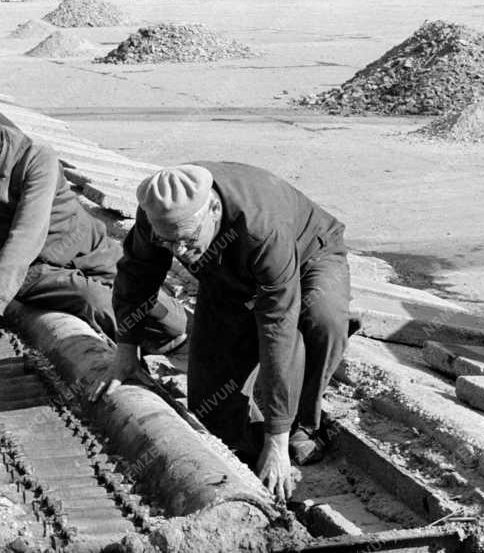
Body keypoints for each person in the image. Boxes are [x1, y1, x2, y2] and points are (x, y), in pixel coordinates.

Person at [106, 162, 351, 502]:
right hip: (226, 271)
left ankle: (302, 425)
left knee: (321, 320)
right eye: (168, 242)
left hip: (310, 254)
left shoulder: (263, 228)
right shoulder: (157, 213)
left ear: (214, 211)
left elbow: (277, 325)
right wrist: (126, 350)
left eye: (187, 241)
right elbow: (137, 276)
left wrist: (277, 439)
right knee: (210, 407)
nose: (178, 252)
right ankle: (253, 452)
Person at [0, 96, 187, 355]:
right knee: (97, 301)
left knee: (158, 305)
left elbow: (28, 231)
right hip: (31, 269)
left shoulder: (34, 157)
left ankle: (185, 347)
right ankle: (136, 364)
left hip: (87, 247)